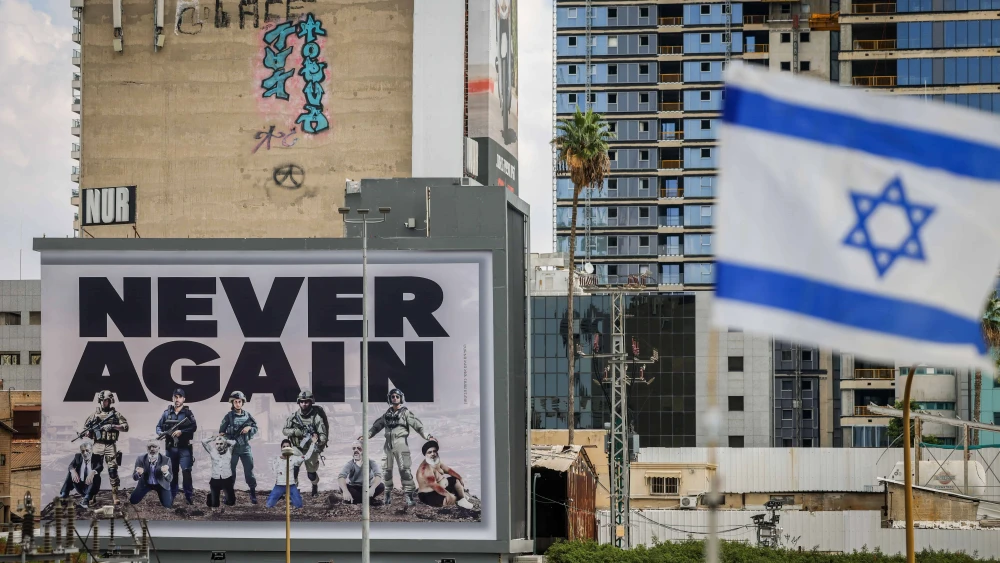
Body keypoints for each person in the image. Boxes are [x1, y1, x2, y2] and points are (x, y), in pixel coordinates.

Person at [364, 387, 434, 508]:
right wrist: (366, 436)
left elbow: (418, 426)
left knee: (405, 470)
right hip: (388, 445)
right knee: (386, 471)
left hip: (401, 444)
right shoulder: (386, 415)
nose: (395, 398)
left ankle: (409, 495)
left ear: (401, 398)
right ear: (390, 399)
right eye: (392, 397)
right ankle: (387, 494)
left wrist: (428, 436)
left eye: (397, 396)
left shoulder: (406, 413)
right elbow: (376, 427)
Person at [81, 390, 129, 499]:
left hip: (110, 445)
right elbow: (86, 429)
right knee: (94, 471)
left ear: (110, 401)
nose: (103, 403)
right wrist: (88, 433)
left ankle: (115, 495)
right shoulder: (94, 415)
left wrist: (112, 426)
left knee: (112, 470)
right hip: (97, 445)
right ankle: (91, 495)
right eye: (102, 400)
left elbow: (125, 427)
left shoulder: (116, 415)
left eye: (106, 400)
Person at [155, 388, 198, 504]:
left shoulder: (188, 413)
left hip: (184, 448)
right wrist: (162, 434)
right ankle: (172, 496)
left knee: (186, 472)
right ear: (172, 398)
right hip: (171, 448)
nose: (177, 399)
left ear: (184, 399)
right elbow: (158, 427)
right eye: (175, 397)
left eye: (179, 397)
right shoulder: (166, 413)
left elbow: (194, 427)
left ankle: (189, 496)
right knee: (172, 473)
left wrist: (181, 432)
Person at [281, 389, 327, 496]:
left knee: (311, 474)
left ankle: (314, 485)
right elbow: (284, 430)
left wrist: (318, 440)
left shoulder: (316, 417)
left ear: (311, 402)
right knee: (294, 469)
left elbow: (323, 434)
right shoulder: (294, 416)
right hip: (297, 448)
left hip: (311, 448)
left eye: (306, 402)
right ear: (299, 402)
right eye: (301, 402)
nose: (304, 404)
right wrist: (295, 432)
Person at [219, 390, 258, 504]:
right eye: (235, 402)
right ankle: (229, 496)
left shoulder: (247, 415)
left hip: (245, 448)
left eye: (239, 401)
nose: (237, 404)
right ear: (233, 403)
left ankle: (253, 494)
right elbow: (221, 432)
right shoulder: (229, 416)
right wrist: (229, 440)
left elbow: (255, 427)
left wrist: (249, 429)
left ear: (242, 402)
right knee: (231, 473)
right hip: (233, 449)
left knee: (249, 472)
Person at [415, 439, 474, 509]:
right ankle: (458, 500)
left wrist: (460, 477)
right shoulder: (425, 469)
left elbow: (448, 470)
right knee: (449, 499)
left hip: (440, 488)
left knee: (456, 480)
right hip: (428, 494)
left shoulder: (436, 461)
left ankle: (462, 499)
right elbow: (434, 486)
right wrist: (448, 495)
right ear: (425, 454)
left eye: (434, 451)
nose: (433, 454)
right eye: (429, 452)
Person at [266, 438, 317, 509]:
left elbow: (307, 456)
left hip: (291, 485)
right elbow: (274, 471)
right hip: (279, 485)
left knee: (299, 505)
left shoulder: (294, 459)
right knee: (269, 505)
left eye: (288, 446)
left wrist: (313, 443)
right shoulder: (276, 459)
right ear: (281, 448)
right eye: (284, 447)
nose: (286, 448)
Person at [59, 439, 103, 509]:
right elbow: (71, 465)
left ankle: (86, 499)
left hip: (90, 486)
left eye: (87, 450)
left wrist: (92, 472)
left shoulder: (97, 457)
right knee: (71, 472)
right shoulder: (78, 456)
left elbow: (100, 467)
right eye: (83, 451)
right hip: (79, 485)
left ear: (91, 450)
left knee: (96, 475)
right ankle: (64, 495)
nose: (85, 453)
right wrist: (73, 471)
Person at [129, 440, 173, 508]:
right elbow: (134, 478)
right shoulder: (140, 459)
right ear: (146, 448)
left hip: (161, 484)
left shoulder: (166, 459)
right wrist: (138, 473)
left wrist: (165, 472)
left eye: (154, 447)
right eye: (149, 447)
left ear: (159, 448)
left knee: (167, 505)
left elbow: (170, 479)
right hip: (145, 483)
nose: (151, 449)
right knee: (133, 500)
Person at [201, 436, 237, 508]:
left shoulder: (229, 450)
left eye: (221, 444)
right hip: (215, 479)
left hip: (227, 478)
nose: (219, 446)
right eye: (217, 444)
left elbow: (234, 442)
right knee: (214, 504)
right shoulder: (212, 451)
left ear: (225, 444)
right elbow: (203, 441)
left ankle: (227, 497)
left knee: (231, 502)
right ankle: (211, 495)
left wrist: (225, 439)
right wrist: (213, 438)